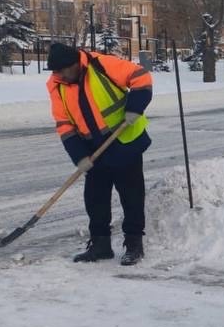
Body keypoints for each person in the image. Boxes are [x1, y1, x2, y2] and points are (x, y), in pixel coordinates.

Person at [46, 42, 153, 265]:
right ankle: (100, 244)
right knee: (95, 198)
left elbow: (141, 77)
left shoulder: (101, 64)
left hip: (124, 140)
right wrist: (79, 157)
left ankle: (134, 244)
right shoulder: (56, 85)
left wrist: (134, 107)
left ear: (76, 62)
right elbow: (64, 124)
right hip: (93, 149)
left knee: (131, 195)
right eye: (58, 72)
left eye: (66, 70)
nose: (63, 75)